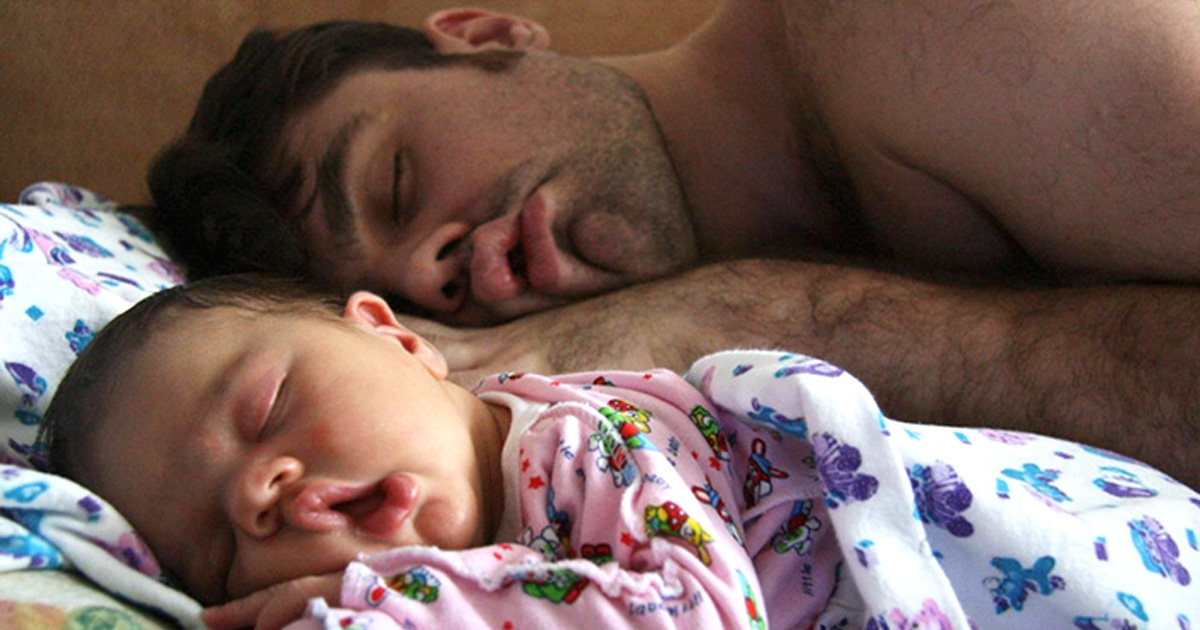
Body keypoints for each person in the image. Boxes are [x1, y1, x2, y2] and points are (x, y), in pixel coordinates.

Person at [141, 3, 1200, 490]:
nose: (437, 263)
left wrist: (762, 315)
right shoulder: (629, 418)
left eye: (395, 182)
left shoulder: (922, 28)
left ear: (485, 33)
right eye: (417, 296)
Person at [40, 274, 1200, 630]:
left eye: (268, 407)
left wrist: (372, 608)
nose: (264, 490)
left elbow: (686, 616)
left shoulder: (583, 438)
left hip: (1087, 568)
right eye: (208, 540)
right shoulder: (511, 545)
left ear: (396, 337)